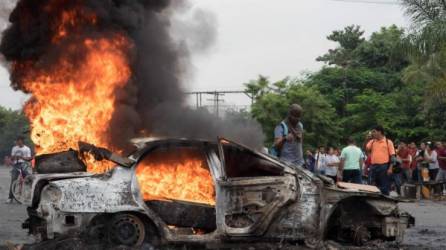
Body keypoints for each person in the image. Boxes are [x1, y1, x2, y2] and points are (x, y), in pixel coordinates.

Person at [366, 125, 396, 196]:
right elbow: (366, 149)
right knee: (371, 185)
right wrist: (366, 139)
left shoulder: (388, 142)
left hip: (384, 166)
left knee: (384, 186)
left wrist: (390, 168)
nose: (372, 133)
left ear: (379, 132)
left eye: (374, 132)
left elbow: (392, 156)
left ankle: (386, 204)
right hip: (373, 166)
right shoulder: (372, 141)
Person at [7, 136, 32, 203]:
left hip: (24, 164)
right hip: (16, 165)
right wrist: (14, 156)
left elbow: (29, 158)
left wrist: (21, 157)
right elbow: (12, 158)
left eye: (19, 140)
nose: (18, 142)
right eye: (17, 140)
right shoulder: (14, 148)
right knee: (13, 180)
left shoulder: (27, 148)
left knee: (29, 179)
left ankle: (29, 196)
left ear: (22, 141)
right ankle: (10, 197)